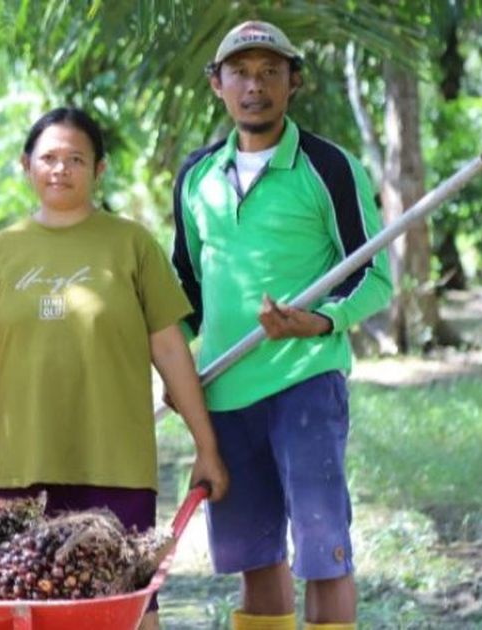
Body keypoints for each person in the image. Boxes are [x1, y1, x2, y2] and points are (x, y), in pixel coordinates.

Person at [0, 107, 230, 630]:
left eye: (75, 159)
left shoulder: (131, 244)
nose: (60, 169)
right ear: (26, 165)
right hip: (25, 466)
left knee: (128, 609)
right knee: (28, 607)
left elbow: (172, 349)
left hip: (116, 464)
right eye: (48, 158)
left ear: (99, 169)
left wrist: (207, 447)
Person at [171, 21, 394, 630]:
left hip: (305, 385)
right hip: (225, 390)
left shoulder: (329, 166)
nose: (255, 86)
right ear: (217, 84)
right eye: (240, 72)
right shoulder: (196, 177)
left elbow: (374, 277)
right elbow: (185, 290)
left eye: (270, 71)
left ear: (294, 81)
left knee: (324, 555)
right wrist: (163, 358)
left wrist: (319, 321)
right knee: (256, 557)